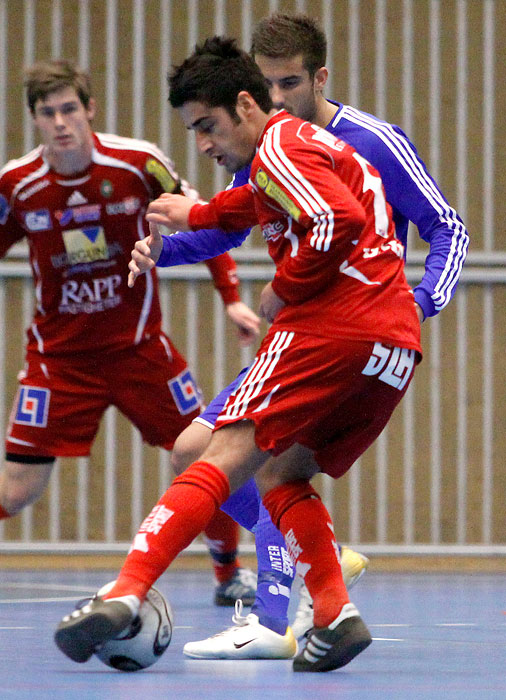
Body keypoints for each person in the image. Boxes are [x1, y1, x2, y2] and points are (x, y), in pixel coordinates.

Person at [55, 36, 423, 673]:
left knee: (214, 453)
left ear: (247, 104)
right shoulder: (302, 150)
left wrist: (283, 289)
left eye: (207, 126)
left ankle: (125, 591)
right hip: (390, 348)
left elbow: (335, 223)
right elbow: (246, 207)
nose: (201, 143)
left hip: (332, 328)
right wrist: (188, 219)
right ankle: (334, 614)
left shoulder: (280, 144)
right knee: (282, 475)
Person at [126, 11, 469, 658]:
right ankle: (322, 577)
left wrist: (418, 304)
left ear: (321, 78)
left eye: (289, 84)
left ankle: (273, 619)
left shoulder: (371, 141)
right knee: (222, 456)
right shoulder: (265, 147)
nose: (278, 99)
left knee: (245, 458)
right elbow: (229, 224)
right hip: (308, 329)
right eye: (268, 85)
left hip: (351, 327)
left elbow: (448, 225)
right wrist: (160, 254)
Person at [0, 59, 260, 607]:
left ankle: (229, 573)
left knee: (206, 451)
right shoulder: (17, 183)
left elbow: (202, 218)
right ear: (35, 120)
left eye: (70, 108)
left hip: (141, 350)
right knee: (17, 490)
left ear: (89, 109)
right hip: (59, 359)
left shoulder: (137, 163)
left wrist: (233, 299)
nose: (61, 122)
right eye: (48, 113)